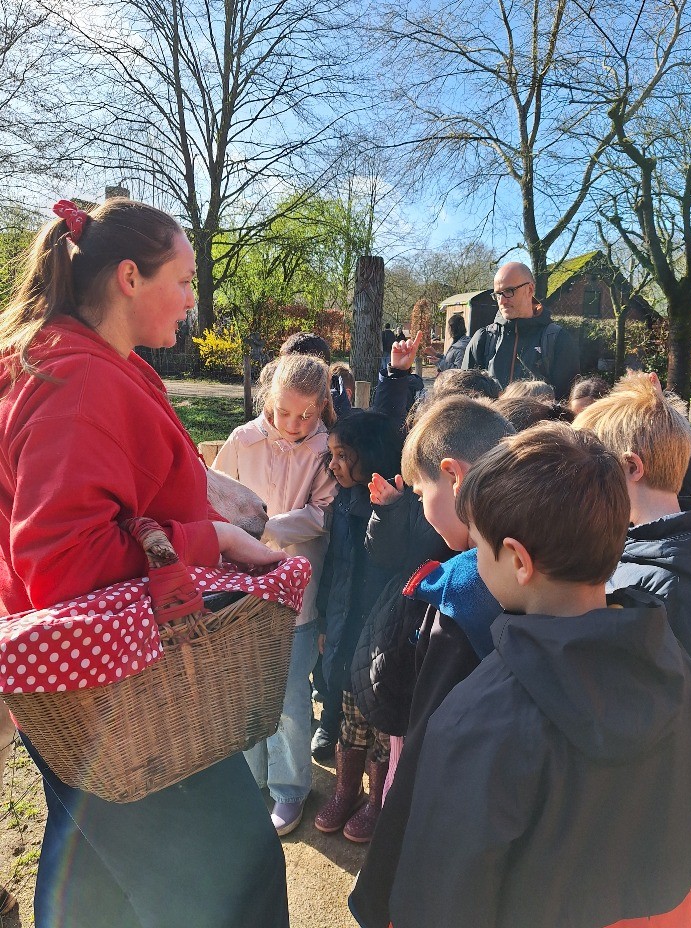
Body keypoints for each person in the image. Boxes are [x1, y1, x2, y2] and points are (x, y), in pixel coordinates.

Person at [0, 199, 290, 928]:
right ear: (130, 277)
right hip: (131, 698)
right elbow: (63, 564)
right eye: (184, 281)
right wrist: (212, 541)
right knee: (244, 875)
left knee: (91, 880)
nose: (193, 300)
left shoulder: (62, 358)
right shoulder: (80, 381)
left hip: (73, 703)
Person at [384, 424, 691, 928]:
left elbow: (440, 893)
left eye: (479, 548)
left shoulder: (479, 717)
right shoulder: (677, 667)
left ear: (519, 560)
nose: (474, 559)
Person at [574, 374, 691, 928]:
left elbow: (677, 729)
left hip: (669, 825)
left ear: (630, 468)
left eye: (593, 471)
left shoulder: (665, 586)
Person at [350, 397, 512, 928]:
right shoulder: (549, 565)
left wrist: (375, 895)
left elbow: (423, 752)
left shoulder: (461, 591)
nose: (420, 505)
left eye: (420, 493)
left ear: (454, 477)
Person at [211, 353, 337, 836]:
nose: (293, 424)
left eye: (306, 414)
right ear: (269, 397)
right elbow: (216, 496)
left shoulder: (325, 448)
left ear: (321, 407)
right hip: (243, 592)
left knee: (288, 695)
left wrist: (266, 528)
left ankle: (290, 787)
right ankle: (252, 778)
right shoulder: (243, 440)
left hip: (297, 596)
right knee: (246, 687)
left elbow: (325, 512)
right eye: (284, 411)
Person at [312, 410, 403, 842]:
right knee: (350, 716)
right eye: (331, 455)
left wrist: (388, 511)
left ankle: (377, 800)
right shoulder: (343, 502)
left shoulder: (395, 506)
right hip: (346, 630)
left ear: (370, 455)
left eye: (342, 455)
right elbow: (333, 568)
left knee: (381, 722)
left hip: (383, 637)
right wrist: (325, 621)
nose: (333, 465)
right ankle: (346, 791)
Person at [461, 260, 580, 398]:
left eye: (509, 291)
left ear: (530, 289)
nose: (502, 301)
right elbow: (463, 397)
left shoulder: (558, 340)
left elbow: (568, 402)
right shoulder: (483, 339)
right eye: (498, 294)